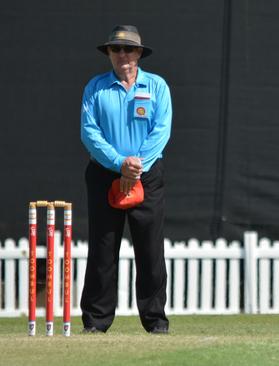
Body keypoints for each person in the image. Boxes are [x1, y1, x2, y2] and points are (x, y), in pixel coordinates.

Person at [80, 25, 172, 334]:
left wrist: (136, 165)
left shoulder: (157, 86)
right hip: (106, 173)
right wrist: (119, 163)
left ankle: (155, 321)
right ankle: (95, 321)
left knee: (150, 250)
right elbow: (89, 133)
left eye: (129, 50)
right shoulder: (96, 87)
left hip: (147, 175)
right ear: (108, 53)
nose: (123, 55)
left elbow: (162, 130)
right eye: (116, 49)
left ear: (139, 54)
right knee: (103, 249)